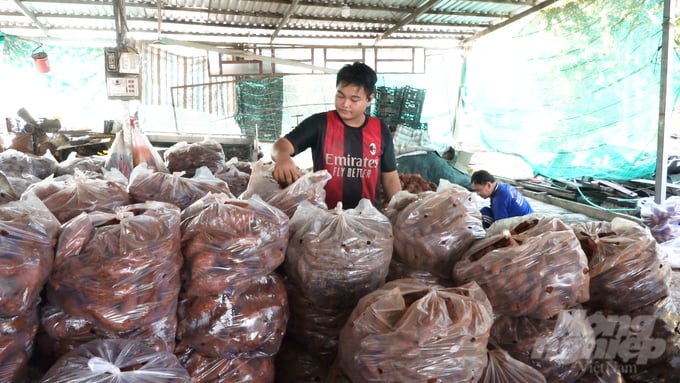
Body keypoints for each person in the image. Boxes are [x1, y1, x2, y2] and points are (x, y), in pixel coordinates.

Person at [271, 62, 402, 210]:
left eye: (354, 99)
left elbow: (390, 178)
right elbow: (280, 146)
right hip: (326, 218)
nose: (345, 104)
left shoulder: (380, 130)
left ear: (369, 99)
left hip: (368, 220)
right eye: (340, 96)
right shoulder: (319, 124)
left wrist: (399, 211)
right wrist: (283, 157)